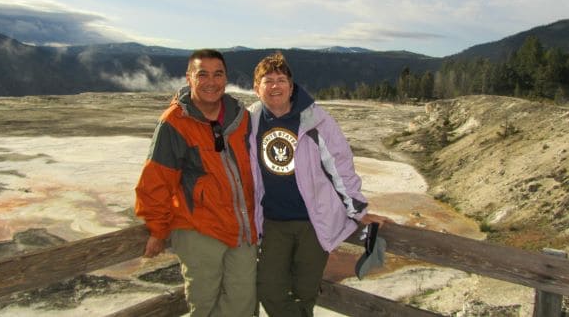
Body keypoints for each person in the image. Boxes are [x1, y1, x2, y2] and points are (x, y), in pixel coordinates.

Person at [248, 51, 391, 317]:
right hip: (272, 222)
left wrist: (358, 211)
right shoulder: (251, 121)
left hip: (314, 222)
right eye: (268, 81)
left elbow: (340, 167)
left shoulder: (316, 120)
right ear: (257, 89)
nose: (275, 85)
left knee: (305, 291)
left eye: (281, 79)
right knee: (268, 287)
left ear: (291, 87)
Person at [135, 49, 257, 317]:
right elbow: (156, 180)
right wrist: (157, 228)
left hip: (243, 229)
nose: (211, 81)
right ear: (189, 77)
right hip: (199, 230)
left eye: (218, 74)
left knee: (244, 305)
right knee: (204, 305)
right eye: (202, 74)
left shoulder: (241, 118)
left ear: (226, 78)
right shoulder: (175, 122)